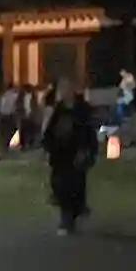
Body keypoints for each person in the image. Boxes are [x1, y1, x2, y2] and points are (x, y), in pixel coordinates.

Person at [41, 80, 98, 235]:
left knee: (75, 184)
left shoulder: (81, 110)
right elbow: (49, 131)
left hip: (76, 153)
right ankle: (67, 215)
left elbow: (88, 131)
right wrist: (48, 147)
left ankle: (73, 213)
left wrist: (88, 150)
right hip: (60, 155)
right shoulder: (58, 110)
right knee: (61, 184)